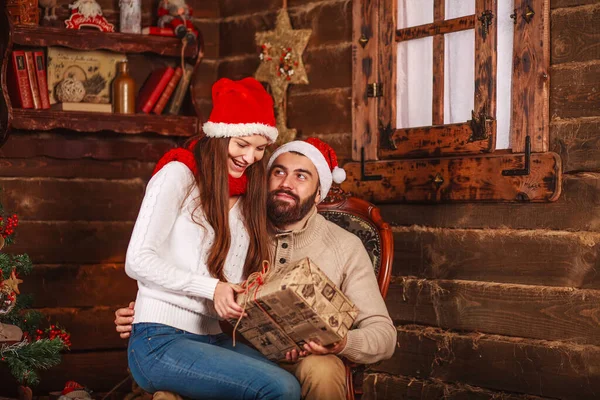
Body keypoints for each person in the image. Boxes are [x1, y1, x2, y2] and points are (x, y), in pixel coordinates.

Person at [116, 138, 396, 400]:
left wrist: (342, 342)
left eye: (301, 176)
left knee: (321, 369)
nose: (286, 183)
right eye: (278, 172)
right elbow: (188, 273)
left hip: (305, 361)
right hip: (234, 351)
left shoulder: (345, 246)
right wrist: (145, 310)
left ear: (319, 191)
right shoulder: (239, 226)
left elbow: (384, 335)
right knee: (168, 395)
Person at [123, 76, 301, 400]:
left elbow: (233, 284)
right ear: (220, 135)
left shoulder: (249, 197)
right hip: (159, 340)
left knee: (290, 384)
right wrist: (212, 288)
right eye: (242, 144)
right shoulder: (179, 175)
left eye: (260, 148)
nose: (250, 157)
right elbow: (137, 260)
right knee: (281, 389)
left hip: (213, 337)